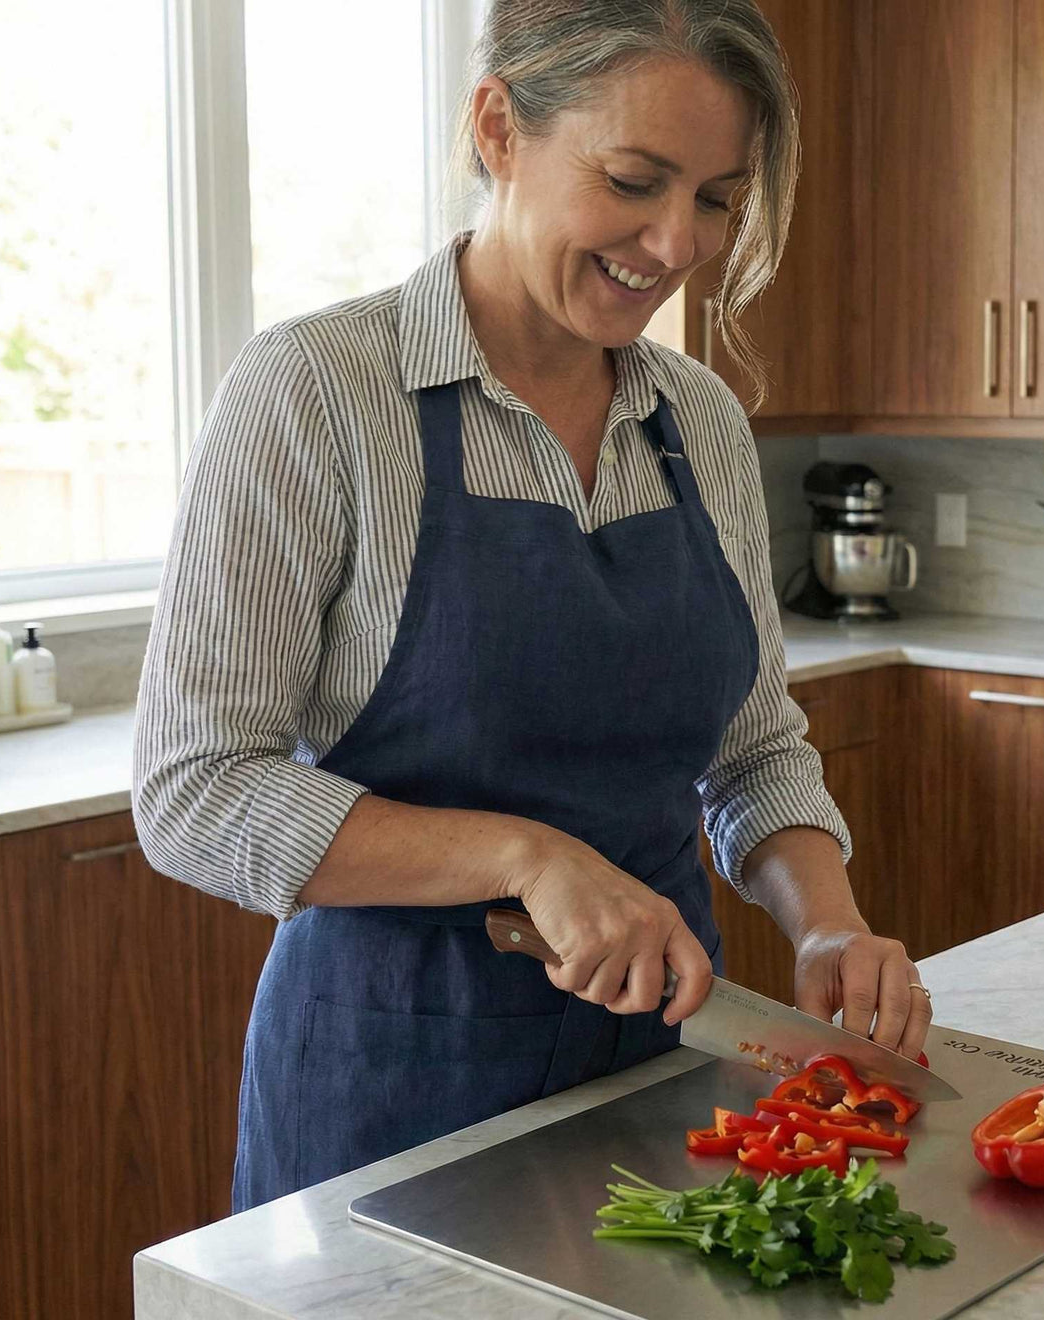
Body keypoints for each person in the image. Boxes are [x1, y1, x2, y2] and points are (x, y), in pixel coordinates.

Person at [132, 0, 931, 1213]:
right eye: (631, 180)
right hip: (391, 1089)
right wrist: (524, 857)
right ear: (498, 126)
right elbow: (193, 791)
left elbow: (753, 746)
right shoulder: (319, 393)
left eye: (717, 197)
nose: (674, 245)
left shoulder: (696, 420)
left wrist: (823, 923)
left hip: (667, 1074)